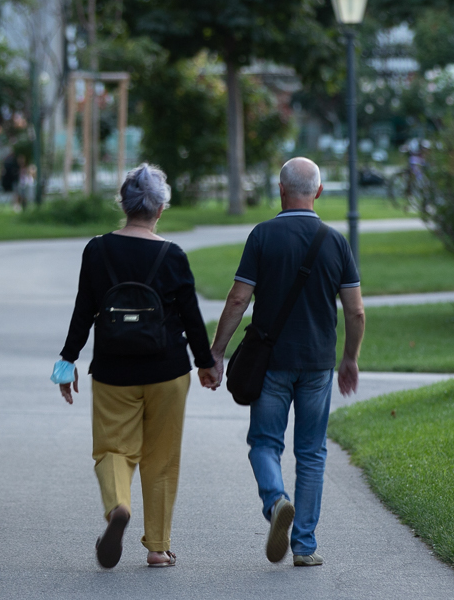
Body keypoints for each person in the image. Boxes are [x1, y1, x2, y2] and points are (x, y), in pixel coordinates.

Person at [209, 157, 366, 567]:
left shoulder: (262, 235)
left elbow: (239, 299)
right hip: (317, 363)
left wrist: (217, 352)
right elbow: (356, 312)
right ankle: (305, 546)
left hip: (271, 363)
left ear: (280, 189)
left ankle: (276, 499)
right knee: (312, 452)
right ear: (318, 192)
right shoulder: (335, 242)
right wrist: (350, 358)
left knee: (264, 443)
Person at [57, 163, 216, 568]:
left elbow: (83, 311)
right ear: (160, 209)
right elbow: (192, 317)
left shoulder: (96, 250)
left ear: (123, 205)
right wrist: (206, 363)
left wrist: (68, 360)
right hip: (168, 370)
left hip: (113, 370)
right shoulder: (172, 254)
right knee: (161, 459)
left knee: (114, 449)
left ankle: (118, 508)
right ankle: (158, 547)